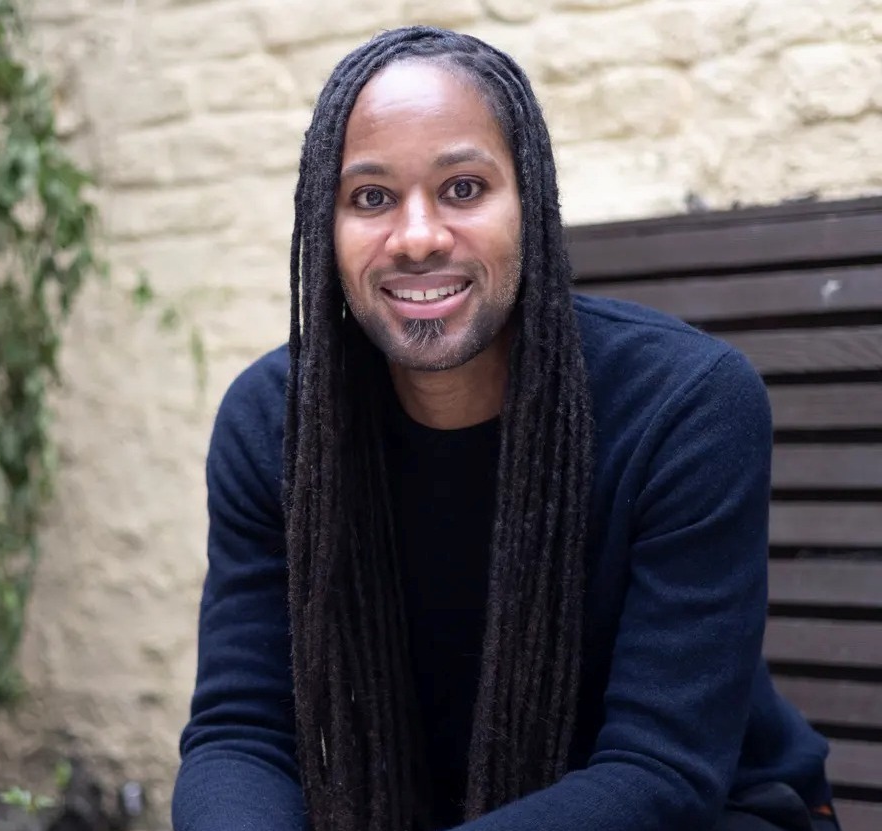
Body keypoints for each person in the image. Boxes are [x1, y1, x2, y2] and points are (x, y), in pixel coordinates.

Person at [173, 26, 838, 831]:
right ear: (325, 223)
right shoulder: (274, 424)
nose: (418, 236)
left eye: (463, 188)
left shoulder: (686, 406)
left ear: (531, 204)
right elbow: (241, 734)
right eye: (371, 198)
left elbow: (662, 772)